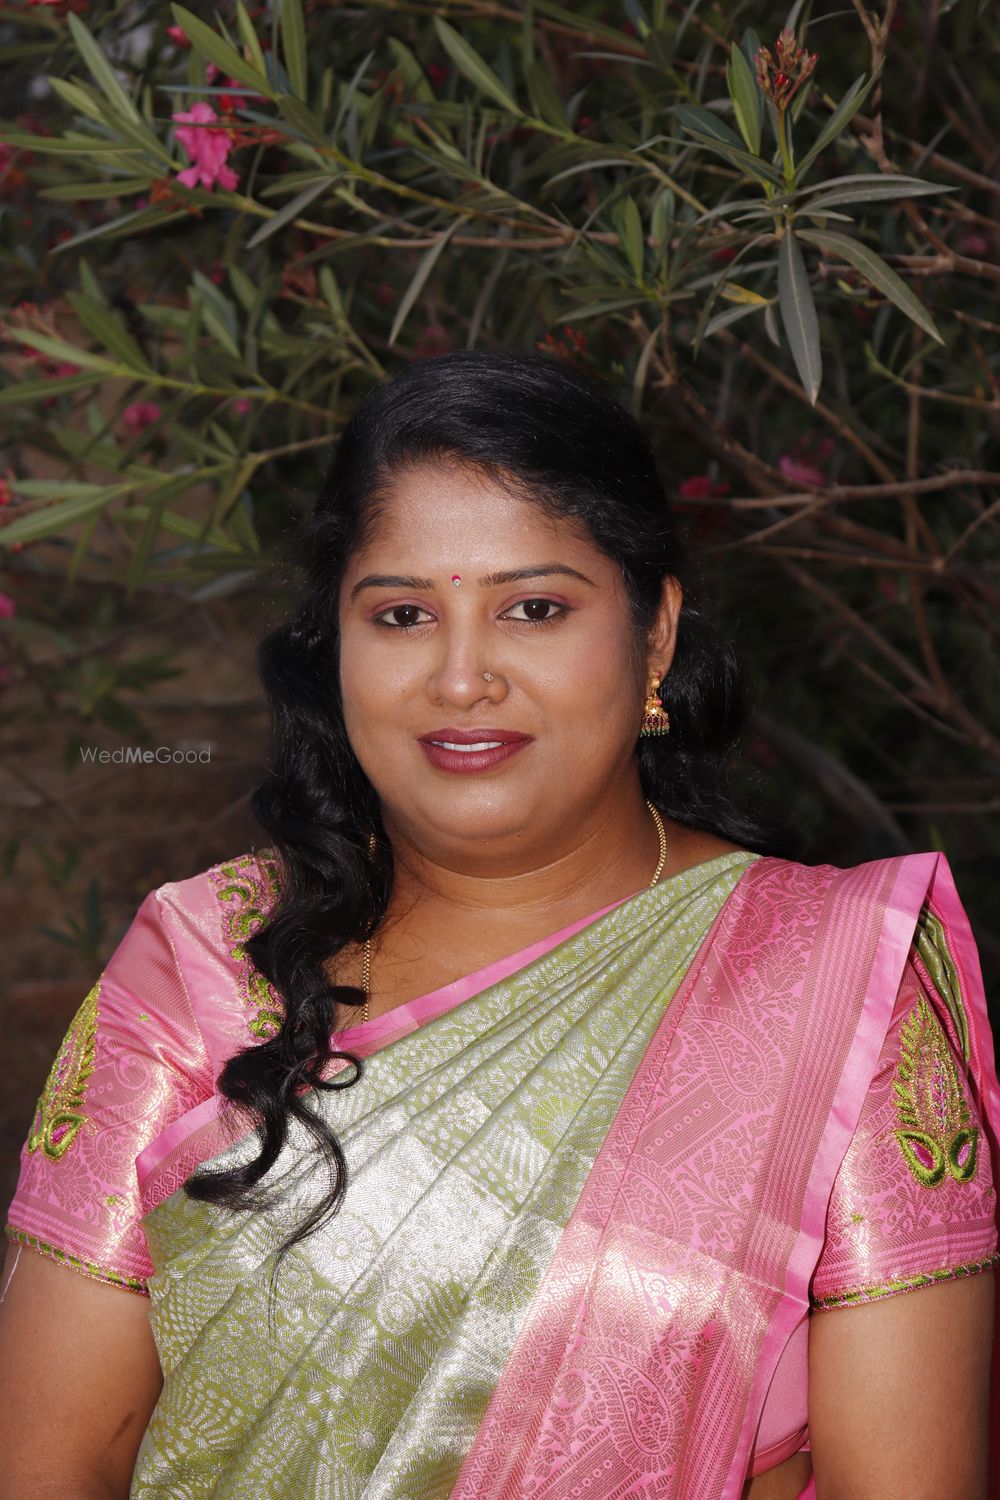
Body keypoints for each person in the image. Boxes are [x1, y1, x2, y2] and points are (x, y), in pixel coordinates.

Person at [0, 350, 996, 1500]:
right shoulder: (204, 961)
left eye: (533, 609)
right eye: (403, 615)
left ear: (655, 635)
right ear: (338, 648)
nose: (461, 677)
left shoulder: (835, 982)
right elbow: (50, 1462)